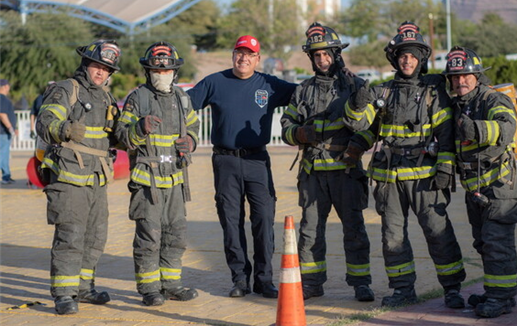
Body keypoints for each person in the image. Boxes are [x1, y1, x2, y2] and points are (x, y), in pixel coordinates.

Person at [346, 21, 466, 308]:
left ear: (421, 59)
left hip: (426, 178)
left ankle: (452, 288)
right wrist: (358, 103)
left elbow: (446, 134)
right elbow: (359, 124)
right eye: (402, 54)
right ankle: (402, 289)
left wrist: (446, 167)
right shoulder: (384, 92)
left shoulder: (433, 91)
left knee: (438, 233)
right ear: (394, 58)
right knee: (392, 238)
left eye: (413, 54)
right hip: (389, 179)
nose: (407, 59)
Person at [187, 35, 296, 298]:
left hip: (257, 160)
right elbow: (182, 105)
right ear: (233, 55)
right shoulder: (215, 82)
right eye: (239, 53)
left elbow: (305, 94)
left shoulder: (269, 84)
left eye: (250, 54)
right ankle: (239, 279)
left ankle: (264, 279)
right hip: (225, 162)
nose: (243, 58)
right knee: (231, 221)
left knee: (264, 219)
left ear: (258, 59)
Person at [280, 22, 375, 301]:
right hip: (312, 174)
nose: (322, 60)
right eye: (316, 55)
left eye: (326, 54)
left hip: (346, 173)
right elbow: (286, 127)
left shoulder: (356, 86)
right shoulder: (303, 90)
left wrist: (358, 138)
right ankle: (311, 283)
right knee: (310, 232)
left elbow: (368, 126)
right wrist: (297, 133)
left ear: (336, 54)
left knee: (355, 230)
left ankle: (361, 283)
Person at [36, 40, 122, 315]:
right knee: (70, 236)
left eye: (106, 68)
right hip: (68, 176)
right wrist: (64, 128)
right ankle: (64, 293)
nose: (101, 72)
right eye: (97, 65)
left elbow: (117, 136)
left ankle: (84, 288)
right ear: (86, 64)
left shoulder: (106, 97)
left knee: (95, 237)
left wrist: (138, 130)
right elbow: (44, 122)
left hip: (97, 178)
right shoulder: (66, 89)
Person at [115, 42, 200, 307]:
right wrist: (139, 128)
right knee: (149, 236)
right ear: (147, 71)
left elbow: (194, 127)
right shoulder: (137, 98)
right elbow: (120, 136)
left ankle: (172, 284)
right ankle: (150, 289)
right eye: (156, 70)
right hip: (147, 182)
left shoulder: (182, 99)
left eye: (166, 70)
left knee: (176, 235)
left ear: (175, 72)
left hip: (175, 180)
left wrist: (192, 142)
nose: (161, 74)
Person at [444, 46, 517, 318]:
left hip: (498, 187)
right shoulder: (459, 105)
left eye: (465, 75)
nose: (460, 81)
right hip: (475, 189)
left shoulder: (492, 99)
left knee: (497, 242)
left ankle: (501, 297)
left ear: (477, 76)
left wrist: (476, 129)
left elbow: (507, 128)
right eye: (454, 77)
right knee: (484, 243)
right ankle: (497, 291)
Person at [0, 79, 18, 185]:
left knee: (5, 155)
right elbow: (2, 114)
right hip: (3, 132)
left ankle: (6, 176)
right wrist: (10, 128)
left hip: (3, 132)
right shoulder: (2, 99)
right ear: (5, 86)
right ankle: (6, 177)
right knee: (2, 155)